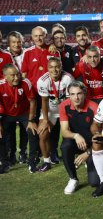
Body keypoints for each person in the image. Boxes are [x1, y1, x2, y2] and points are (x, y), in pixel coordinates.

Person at [59, 81, 100, 194]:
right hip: (76, 142)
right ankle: (73, 179)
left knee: (94, 182)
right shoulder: (64, 105)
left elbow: (102, 136)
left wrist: (89, 152)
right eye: (72, 94)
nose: (76, 97)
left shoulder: (94, 107)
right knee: (65, 146)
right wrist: (76, 135)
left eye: (79, 94)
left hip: (93, 146)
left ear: (84, 94)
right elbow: (64, 131)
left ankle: (102, 163)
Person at [36, 57, 74, 171]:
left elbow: (69, 101)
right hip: (50, 111)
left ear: (61, 67)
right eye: (51, 67)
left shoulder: (68, 78)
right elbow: (44, 101)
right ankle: (47, 161)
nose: (55, 70)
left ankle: (73, 157)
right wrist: (46, 120)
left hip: (65, 109)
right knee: (42, 134)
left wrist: (67, 118)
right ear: (47, 68)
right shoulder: (42, 81)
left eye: (57, 67)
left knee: (71, 132)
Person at [0, 64, 38, 173]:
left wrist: (31, 121)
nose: (16, 78)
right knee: (0, 135)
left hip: (24, 113)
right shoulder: (0, 85)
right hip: (6, 114)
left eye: (18, 74)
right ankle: (4, 163)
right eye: (13, 75)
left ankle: (32, 162)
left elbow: (32, 101)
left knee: (32, 132)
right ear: (5, 76)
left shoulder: (25, 82)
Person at [6, 31, 28, 164]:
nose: (17, 44)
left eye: (19, 41)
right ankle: (12, 153)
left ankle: (23, 152)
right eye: (13, 42)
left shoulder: (27, 53)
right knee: (11, 128)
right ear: (9, 43)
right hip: (9, 96)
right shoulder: (5, 55)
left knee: (26, 128)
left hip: (24, 95)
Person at [21, 26, 60, 91]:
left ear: (46, 36)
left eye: (41, 35)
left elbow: (59, 71)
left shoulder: (54, 51)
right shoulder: (27, 52)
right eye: (36, 36)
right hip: (33, 90)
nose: (38, 38)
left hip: (50, 89)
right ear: (32, 37)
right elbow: (24, 74)